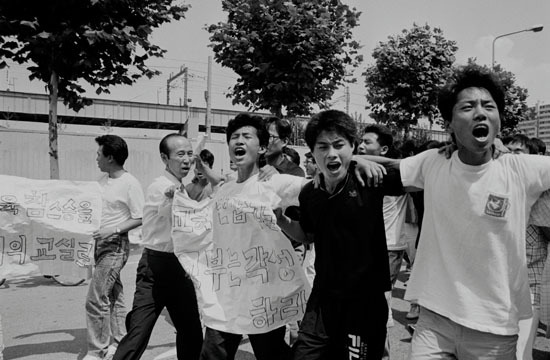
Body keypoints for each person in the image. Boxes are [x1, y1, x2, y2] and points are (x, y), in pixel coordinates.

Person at [362, 65, 550, 358]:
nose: (480, 112)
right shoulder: (434, 162)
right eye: (468, 107)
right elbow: (392, 169)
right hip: (434, 320)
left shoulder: (520, 169)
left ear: (498, 120)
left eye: (489, 106)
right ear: (449, 122)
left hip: (495, 328)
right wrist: (347, 159)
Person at [277, 110, 403, 359]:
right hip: (322, 300)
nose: (331, 153)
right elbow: (308, 234)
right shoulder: (309, 193)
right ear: (312, 152)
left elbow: (418, 170)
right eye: (322, 147)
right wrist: (282, 221)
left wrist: (359, 160)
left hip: (364, 302)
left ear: (353, 147)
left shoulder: (369, 178)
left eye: (339, 145)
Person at [199, 113, 309, 360]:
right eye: (234, 137)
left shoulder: (273, 182)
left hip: (263, 295)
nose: (239, 141)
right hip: (227, 293)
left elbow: (317, 185)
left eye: (247, 136)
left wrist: (354, 162)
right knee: (212, 353)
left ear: (261, 147)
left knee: (271, 353)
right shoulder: (224, 188)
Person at [112, 134, 203, 360]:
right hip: (156, 267)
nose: (186, 160)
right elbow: (168, 207)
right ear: (165, 158)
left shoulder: (178, 185)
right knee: (139, 333)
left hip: (179, 267)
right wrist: (176, 195)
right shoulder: (160, 186)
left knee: (191, 331)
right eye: (180, 154)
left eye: (189, 154)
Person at [84, 135, 144, 360]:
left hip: (115, 246)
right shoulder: (102, 180)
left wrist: (114, 230)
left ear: (110, 157)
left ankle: (96, 350)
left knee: (96, 298)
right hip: (100, 245)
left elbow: (140, 217)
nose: (96, 158)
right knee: (114, 294)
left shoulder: (130, 183)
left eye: (99, 154)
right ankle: (120, 341)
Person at [358, 124, 412, 332]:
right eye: (360, 141)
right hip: (364, 245)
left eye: (367, 142)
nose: (361, 146)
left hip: (389, 246)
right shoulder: (357, 171)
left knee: (378, 301)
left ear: (384, 150)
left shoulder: (397, 175)